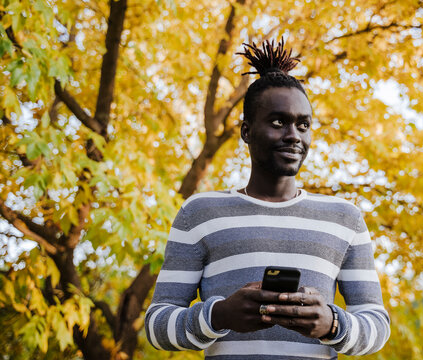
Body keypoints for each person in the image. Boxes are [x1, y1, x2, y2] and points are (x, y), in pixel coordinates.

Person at [145, 38, 390, 359]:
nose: (294, 135)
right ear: (247, 131)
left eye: (304, 125)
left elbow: (377, 326)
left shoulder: (345, 217)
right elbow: (155, 326)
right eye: (278, 122)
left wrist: (332, 323)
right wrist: (219, 316)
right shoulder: (200, 212)